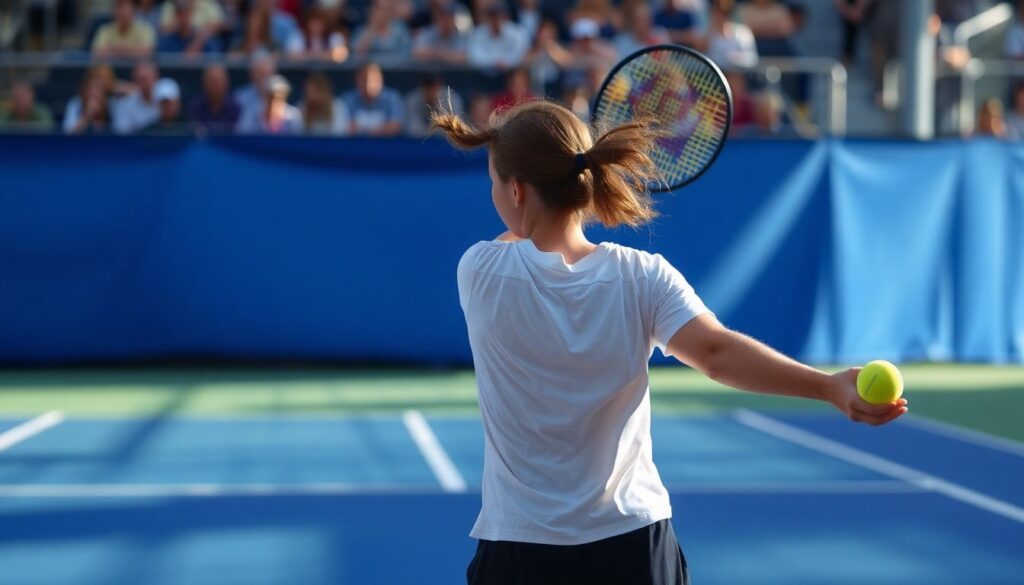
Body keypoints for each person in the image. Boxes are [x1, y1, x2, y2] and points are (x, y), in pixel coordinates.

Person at [432, 99, 908, 585]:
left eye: (495, 181)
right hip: (633, 547)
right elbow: (718, 355)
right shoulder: (642, 276)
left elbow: (518, 242)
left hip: (520, 552)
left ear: (516, 190)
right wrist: (828, 387)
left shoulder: (480, 270)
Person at [341, 62, 404, 136]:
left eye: (374, 79)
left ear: (381, 80)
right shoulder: (347, 99)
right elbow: (344, 127)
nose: (369, 84)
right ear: (357, 80)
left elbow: (395, 127)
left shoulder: (392, 98)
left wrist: (363, 129)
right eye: (364, 79)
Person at [467, 2, 530, 69]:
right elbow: (474, 56)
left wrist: (507, 61)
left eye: (498, 17)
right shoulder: (478, 33)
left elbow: (521, 54)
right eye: (492, 17)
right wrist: (494, 62)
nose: (496, 21)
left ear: (505, 17)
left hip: (511, 72)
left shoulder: (518, 33)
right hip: (484, 74)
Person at [236, 74, 304, 134]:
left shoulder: (293, 116)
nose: (273, 101)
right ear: (264, 96)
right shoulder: (252, 114)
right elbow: (243, 136)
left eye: (278, 97)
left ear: (285, 97)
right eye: (270, 97)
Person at [111, 61, 164, 135]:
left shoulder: (165, 100)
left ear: (156, 78)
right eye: (142, 79)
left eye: (148, 78)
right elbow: (122, 132)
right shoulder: (124, 104)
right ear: (135, 81)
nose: (146, 83)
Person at [91, 0, 156, 58]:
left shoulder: (146, 29)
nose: (123, 12)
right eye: (120, 7)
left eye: (128, 8)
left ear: (134, 11)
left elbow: (147, 53)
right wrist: (132, 51)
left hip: (137, 67)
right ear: (115, 11)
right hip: (110, 66)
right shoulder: (104, 30)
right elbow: (97, 53)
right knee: (101, 70)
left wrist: (117, 49)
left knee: (145, 69)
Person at [703, 0, 757, 69]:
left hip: (738, 75)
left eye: (724, 12)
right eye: (716, 11)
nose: (719, 16)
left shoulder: (743, 32)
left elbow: (751, 59)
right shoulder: (706, 33)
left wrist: (733, 59)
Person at [190, 64, 241, 133]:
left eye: (219, 81)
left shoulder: (236, 107)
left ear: (226, 83)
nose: (216, 85)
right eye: (212, 81)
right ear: (204, 83)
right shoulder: (195, 107)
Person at [234, 54, 276, 124]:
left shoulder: (279, 95)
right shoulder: (239, 98)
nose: (263, 78)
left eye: (265, 73)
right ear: (251, 74)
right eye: (259, 73)